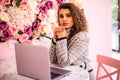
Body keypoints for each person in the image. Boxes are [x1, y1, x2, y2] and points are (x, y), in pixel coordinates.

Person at [50, 3, 95, 80]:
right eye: (61, 16)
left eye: (68, 15)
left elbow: (63, 63)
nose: (64, 19)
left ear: (75, 17)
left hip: (82, 74)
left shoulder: (82, 37)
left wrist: (61, 38)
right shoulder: (63, 33)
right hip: (66, 72)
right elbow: (52, 60)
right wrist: (55, 38)